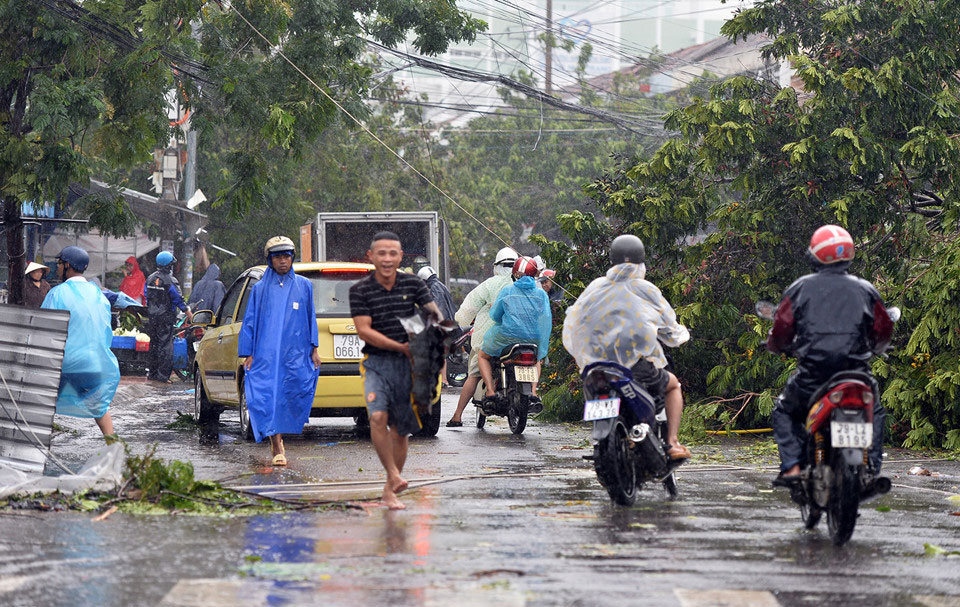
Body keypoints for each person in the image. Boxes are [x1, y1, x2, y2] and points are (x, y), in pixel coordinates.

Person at [767, 225, 892, 485]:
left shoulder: (800, 288)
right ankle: (872, 468)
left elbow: (782, 329)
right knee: (876, 411)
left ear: (815, 255)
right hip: (856, 374)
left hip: (813, 375)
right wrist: (878, 347)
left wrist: (777, 345)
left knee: (784, 411)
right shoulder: (866, 289)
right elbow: (882, 329)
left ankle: (791, 467)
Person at [562, 235, 691, 460]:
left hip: (596, 369)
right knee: (673, 385)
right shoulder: (645, 289)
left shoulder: (595, 287)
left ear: (612, 260)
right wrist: (681, 335)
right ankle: (672, 443)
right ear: (641, 262)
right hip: (634, 369)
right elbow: (669, 329)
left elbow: (574, 324)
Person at [349, 231, 443, 510]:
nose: (387, 259)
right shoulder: (360, 290)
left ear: (401, 257)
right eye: (382, 253)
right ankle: (393, 475)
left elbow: (434, 316)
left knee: (400, 430)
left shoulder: (413, 284)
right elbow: (364, 331)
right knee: (377, 417)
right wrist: (401, 345)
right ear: (371, 256)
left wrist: (416, 335)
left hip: (407, 367)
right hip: (375, 363)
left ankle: (389, 491)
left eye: (393, 253)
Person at [238, 236, 321, 466]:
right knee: (268, 395)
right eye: (277, 257)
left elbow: (310, 317)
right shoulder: (260, 289)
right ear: (270, 260)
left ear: (292, 257)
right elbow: (250, 321)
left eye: (286, 256)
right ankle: (276, 444)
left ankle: (282, 436)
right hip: (267, 353)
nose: (283, 261)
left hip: (295, 351)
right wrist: (248, 353)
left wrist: (314, 348)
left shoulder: (304, 285)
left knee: (292, 392)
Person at [41, 246, 118, 438]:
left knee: (41, 402)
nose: (58, 268)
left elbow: (43, 328)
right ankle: (114, 445)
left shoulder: (57, 293)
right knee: (100, 407)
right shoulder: (99, 295)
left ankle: (37, 443)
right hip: (93, 364)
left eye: (60, 264)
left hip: (64, 364)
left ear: (67, 265)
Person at [446, 246, 518, 427]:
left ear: (497, 266)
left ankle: (457, 416)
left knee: (474, 374)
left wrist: (460, 320)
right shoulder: (523, 284)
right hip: (518, 338)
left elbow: (469, 308)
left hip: (488, 340)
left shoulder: (489, 285)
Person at [477, 257, 552, 405]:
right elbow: (545, 318)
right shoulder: (541, 294)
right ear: (535, 274)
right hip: (533, 338)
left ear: (515, 273)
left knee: (483, 355)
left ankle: (490, 390)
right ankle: (534, 392)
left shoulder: (508, 291)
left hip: (506, 337)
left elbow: (495, 316)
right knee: (536, 360)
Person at [144, 251, 191, 382]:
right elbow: (178, 299)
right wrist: (189, 313)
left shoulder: (150, 278)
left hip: (152, 317)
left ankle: (152, 374)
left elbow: (146, 296)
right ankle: (163, 376)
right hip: (166, 318)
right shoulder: (171, 280)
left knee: (153, 345)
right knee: (165, 346)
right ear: (169, 266)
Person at [417, 265, 458, 386]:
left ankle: (442, 380)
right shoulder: (440, 285)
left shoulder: (434, 287)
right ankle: (442, 379)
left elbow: (439, 309)